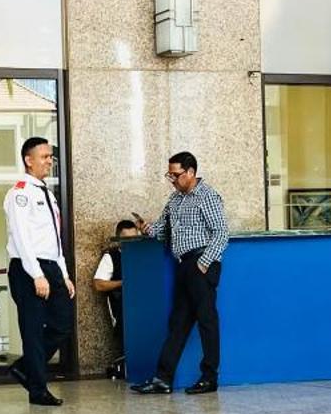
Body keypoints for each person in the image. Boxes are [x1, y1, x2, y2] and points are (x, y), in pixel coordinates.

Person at [131, 150, 229, 395]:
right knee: (178, 323)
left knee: (207, 321)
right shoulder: (174, 200)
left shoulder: (207, 196)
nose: (172, 180)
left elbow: (221, 233)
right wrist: (147, 228)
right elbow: (163, 232)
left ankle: (209, 377)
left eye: (176, 175)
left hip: (201, 263)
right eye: (169, 175)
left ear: (191, 172)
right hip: (183, 265)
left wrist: (204, 263)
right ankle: (163, 379)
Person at [3, 135, 74, 408]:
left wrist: (63, 274)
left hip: (51, 266)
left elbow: (54, 240)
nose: (49, 162)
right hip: (27, 267)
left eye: (50, 157)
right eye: (44, 157)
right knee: (32, 329)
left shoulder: (48, 195)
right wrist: (36, 274)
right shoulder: (20, 193)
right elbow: (21, 237)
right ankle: (38, 389)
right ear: (28, 160)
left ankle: (25, 368)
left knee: (63, 321)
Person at [92, 218, 142, 379]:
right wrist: (123, 283)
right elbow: (99, 284)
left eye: (135, 238)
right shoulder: (111, 256)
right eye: (127, 239)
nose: (131, 243)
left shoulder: (143, 255)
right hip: (122, 308)